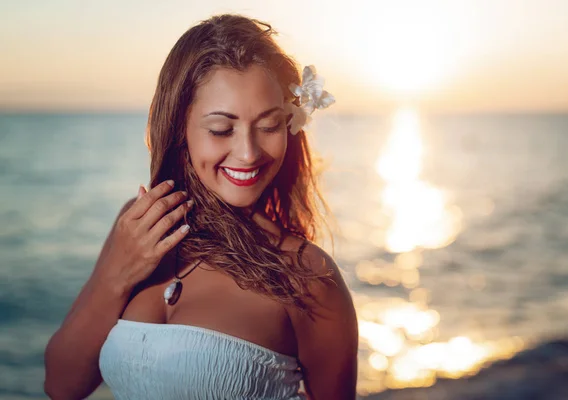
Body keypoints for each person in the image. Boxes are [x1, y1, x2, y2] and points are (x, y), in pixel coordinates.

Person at [44, 13, 358, 400]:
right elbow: (60, 386)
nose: (247, 153)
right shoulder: (139, 224)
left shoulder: (306, 275)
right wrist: (115, 276)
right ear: (180, 127)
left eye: (269, 126)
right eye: (221, 129)